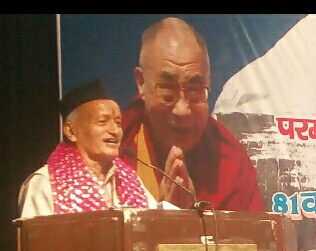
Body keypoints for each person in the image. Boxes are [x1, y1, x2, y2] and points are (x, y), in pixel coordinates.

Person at [120, 16, 264, 211]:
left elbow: (251, 230)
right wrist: (161, 218)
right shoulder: (115, 148)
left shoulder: (230, 162)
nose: (182, 110)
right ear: (141, 83)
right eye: (167, 89)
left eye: (195, 91)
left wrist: (190, 219)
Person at [19, 79, 157, 218]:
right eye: (102, 122)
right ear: (71, 132)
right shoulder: (45, 184)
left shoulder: (132, 181)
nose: (115, 131)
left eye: (118, 123)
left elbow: (156, 222)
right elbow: (37, 232)